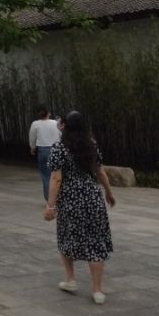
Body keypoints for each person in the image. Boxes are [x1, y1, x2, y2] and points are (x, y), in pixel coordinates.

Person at [43, 111, 116, 305]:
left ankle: (71, 280)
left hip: (70, 200)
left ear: (65, 125)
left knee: (67, 237)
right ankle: (97, 291)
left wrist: (50, 205)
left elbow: (56, 178)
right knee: (95, 242)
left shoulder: (59, 147)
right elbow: (100, 171)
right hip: (92, 198)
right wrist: (109, 192)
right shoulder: (91, 145)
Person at [29, 107, 61, 199]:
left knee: (46, 176)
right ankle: (58, 198)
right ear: (48, 114)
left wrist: (32, 148)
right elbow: (61, 135)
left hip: (42, 150)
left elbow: (32, 137)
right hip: (56, 149)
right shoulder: (55, 123)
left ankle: (49, 199)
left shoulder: (35, 124)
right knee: (57, 175)